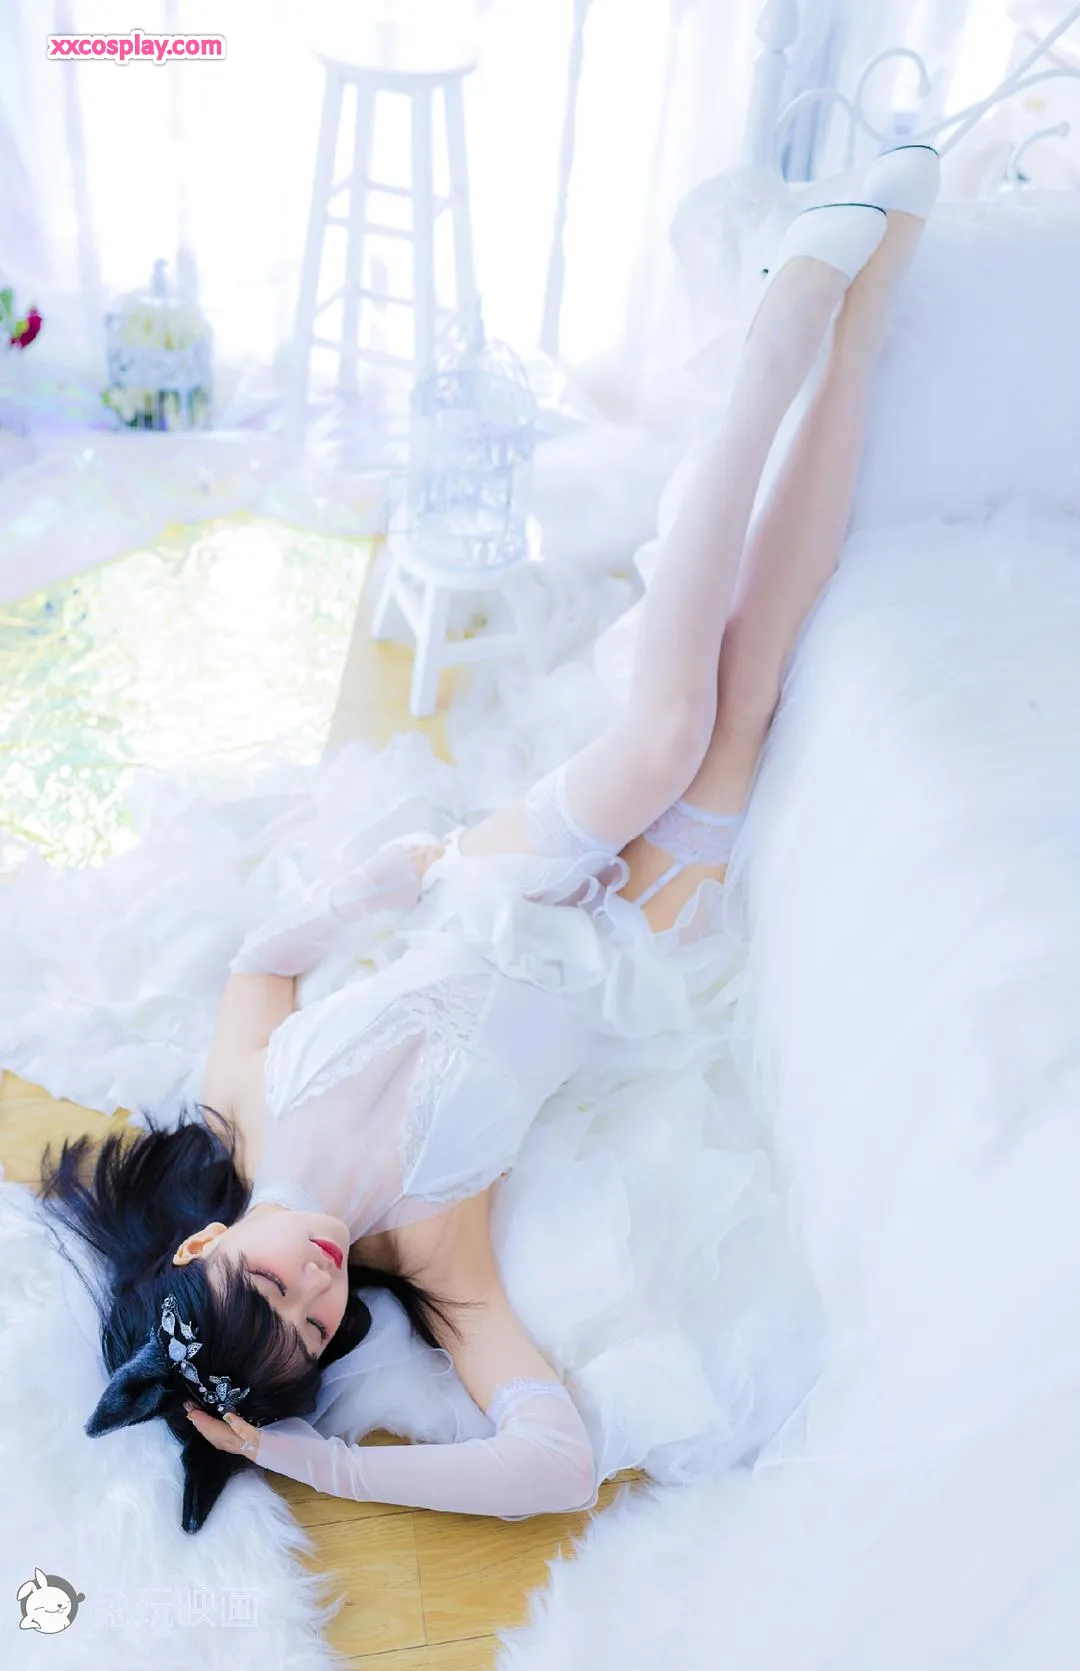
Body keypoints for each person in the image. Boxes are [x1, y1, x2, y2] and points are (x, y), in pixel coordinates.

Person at [39, 144, 940, 1533]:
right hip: (634, 937)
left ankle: (774, 348)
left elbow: (260, 963)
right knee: (750, 680)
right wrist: (319, 1462)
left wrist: (365, 893)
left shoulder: (246, 1108)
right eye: (318, 1325)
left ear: (203, 1238)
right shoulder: (433, 1252)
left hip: (490, 888)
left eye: (270, 1278)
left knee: (664, 729)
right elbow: (553, 1464)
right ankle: (865, 308)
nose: (319, 1280)